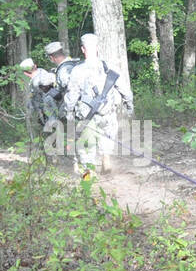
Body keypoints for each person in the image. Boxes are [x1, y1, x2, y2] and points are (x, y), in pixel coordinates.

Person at [63, 33, 132, 177]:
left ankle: (89, 171)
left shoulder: (77, 71)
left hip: (88, 116)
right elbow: (124, 89)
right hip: (107, 113)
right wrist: (129, 105)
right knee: (107, 136)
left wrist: (69, 113)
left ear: (83, 49)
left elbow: (72, 96)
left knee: (87, 145)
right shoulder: (109, 67)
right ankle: (106, 157)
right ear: (97, 48)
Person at [19, 57, 59, 137]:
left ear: (25, 73)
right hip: (56, 109)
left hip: (49, 115)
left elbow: (37, 103)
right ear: (35, 66)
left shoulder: (36, 83)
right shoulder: (43, 72)